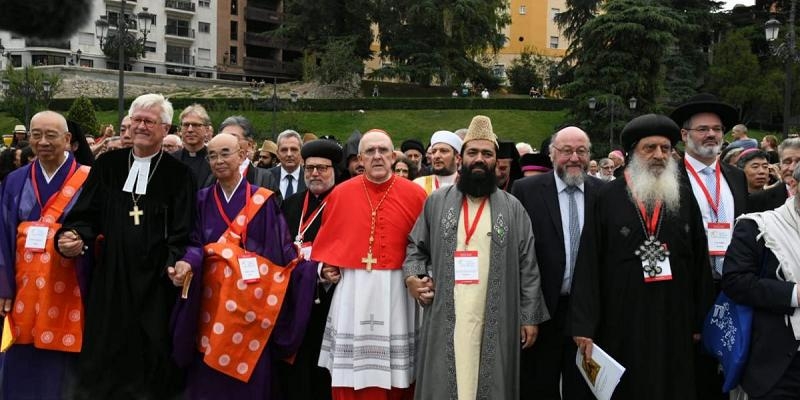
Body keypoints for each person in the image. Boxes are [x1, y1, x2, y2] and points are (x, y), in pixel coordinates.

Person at [55, 93, 197, 399]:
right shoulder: (108, 164)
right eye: (137, 120)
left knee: (152, 353)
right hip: (111, 277)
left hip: (156, 282)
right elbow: (86, 214)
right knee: (106, 351)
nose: (141, 126)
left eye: (149, 121)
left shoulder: (179, 175)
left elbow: (183, 230)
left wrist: (175, 260)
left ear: (166, 129)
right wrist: (74, 235)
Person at [570, 114, 715, 400]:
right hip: (622, 319)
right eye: (650, 148)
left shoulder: (683, 196)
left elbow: (699, 261)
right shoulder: (607, 196)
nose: (659, 155)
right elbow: (588, 261)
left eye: (665, 148)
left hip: (675, 318)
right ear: (632, 153)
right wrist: (584, 324)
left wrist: (701, 320)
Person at [404, 115, 549, 399]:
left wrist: (529, 317)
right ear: (461, 159)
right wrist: (413, 278)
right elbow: (415, 247)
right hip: (447, 310)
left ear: (496, 161)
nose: (479, 159)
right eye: (473, 153)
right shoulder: (437, 201)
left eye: (487, 153)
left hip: (498, 313)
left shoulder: (513, 207)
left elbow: (527, 264)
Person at [175, 133, 316, 399]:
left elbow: (280, 254)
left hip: (251, 304)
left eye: (225, 153)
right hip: (212, 302)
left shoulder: (262, 201)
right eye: (212, 155)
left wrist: (312, 270)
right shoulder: (202, 199)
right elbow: (193, 242)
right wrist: (187, 262)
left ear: (242, 155)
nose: (218, 161)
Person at [312, 129, 427, 400]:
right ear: (360, 158)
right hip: (354, 288)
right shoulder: (340, 194)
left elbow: (425, 248)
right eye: (370, 151)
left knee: (399, 373)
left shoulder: (415, 195)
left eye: (383, 151)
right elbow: (327, 247)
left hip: (398, 290)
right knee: (351, 373)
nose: (377, 156)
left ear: (393, 156)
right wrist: (327, 269)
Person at [0, 111, 91, 400]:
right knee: (20, 356)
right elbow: (2, 234)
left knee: (62, 366)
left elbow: (99, 229)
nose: (42, 142)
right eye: (36, 135)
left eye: (51, 135)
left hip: (69, 284)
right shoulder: (14, 180)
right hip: (23, 286)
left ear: (68, 140)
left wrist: (82, 242)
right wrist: (4, 285)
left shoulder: (90, 180)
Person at [669, 92, 750, 399]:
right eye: (703, 129)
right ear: (685, 135)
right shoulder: (670, 178)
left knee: (729, 371)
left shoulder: (736, 178)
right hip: (689, 290)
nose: (712, 134)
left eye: (717, 129)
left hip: (733, 288)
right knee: (692, 374)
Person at [512, 126, 600, 400]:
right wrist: (526, 312)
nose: (574, 157)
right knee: (537, 386)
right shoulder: (526, 190)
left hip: (589, 312)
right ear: (551, 155)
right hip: (542, 312)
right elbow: (517, 254)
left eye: (581, 151)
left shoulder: (606, 193)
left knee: (585, 388)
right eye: (566, 151)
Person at [721, 165, 800, 399]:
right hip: (780, 365)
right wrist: (794, 294)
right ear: (793, 186)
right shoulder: (759, 227)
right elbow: (736, 282)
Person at [278, 138, 343, 400]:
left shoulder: (343, 200)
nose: (315, 173)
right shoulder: (292, 203)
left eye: (322, 168)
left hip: (329, 298)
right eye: (310, 168)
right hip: (295, 293)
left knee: (322, 363)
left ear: (334, 171)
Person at [209, 116, 277, 191]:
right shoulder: (210, 177)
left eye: (233, 137)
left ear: (249, 145)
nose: (226, 142)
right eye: (223, 138)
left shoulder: (265, 178)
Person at [749, 138, 800, 212]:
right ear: (780, 165)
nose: (792, 168)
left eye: (799, 162)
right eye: (787, 162)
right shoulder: (757, 200)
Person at [171, 104, 214, 186]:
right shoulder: (172, 160)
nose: (190, 130)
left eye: (195, 125)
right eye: (186, 125)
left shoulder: (215, 159)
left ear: (207, 130)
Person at [413, 130, 461, 195]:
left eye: (443, 151)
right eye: (433, 152)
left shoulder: (467, 185)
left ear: (457, 158)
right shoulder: (419, 184)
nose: (436, 156)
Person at [268, 130, 306, 199]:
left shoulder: (309, 178)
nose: (289, 154)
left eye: (294, 149)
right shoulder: (267, 177)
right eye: (284, 150)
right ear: (278, 154)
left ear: (301, 152)